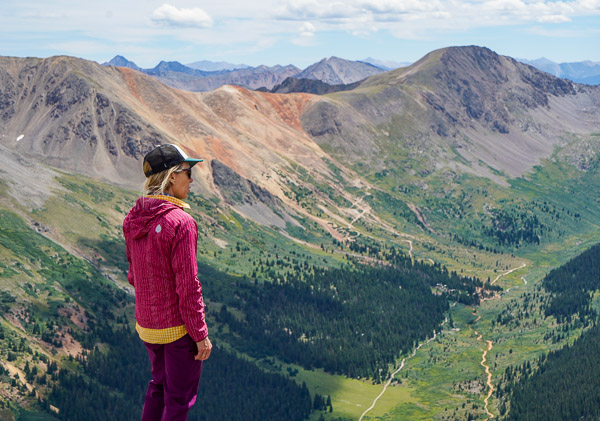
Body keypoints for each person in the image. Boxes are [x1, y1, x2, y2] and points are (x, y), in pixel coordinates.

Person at [123, 144, 212, 421]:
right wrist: (200, 335)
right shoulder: (181, 222)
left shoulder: (133, 219)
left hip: (147, 325)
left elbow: (133, 276)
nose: (191, 179)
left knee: (158, 386)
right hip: (177, 329)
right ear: (172, 176)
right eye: (188, 171)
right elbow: (188, 286)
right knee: (179, 398)